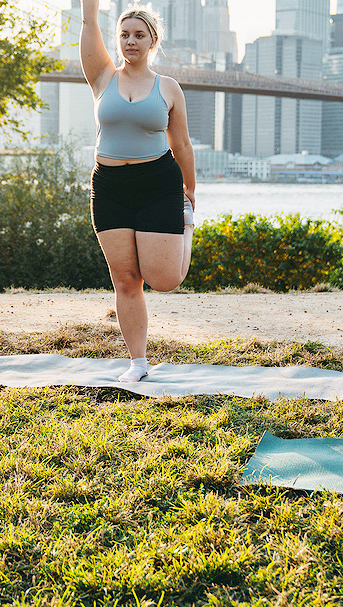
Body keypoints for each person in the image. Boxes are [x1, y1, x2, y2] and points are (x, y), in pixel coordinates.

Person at [80, 1, 197, 383]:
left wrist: (190, 191)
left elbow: (181, 145)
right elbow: (88, 22)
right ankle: (138, 363)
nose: (131, 41)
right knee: (126, 280)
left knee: (164, 280)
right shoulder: (102, 76)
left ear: (152, 41)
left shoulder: (168, 88)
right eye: (125, 35)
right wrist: (90, 7)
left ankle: (187, 226)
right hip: (110, 187)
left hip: (158, 185)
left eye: (139, 35)